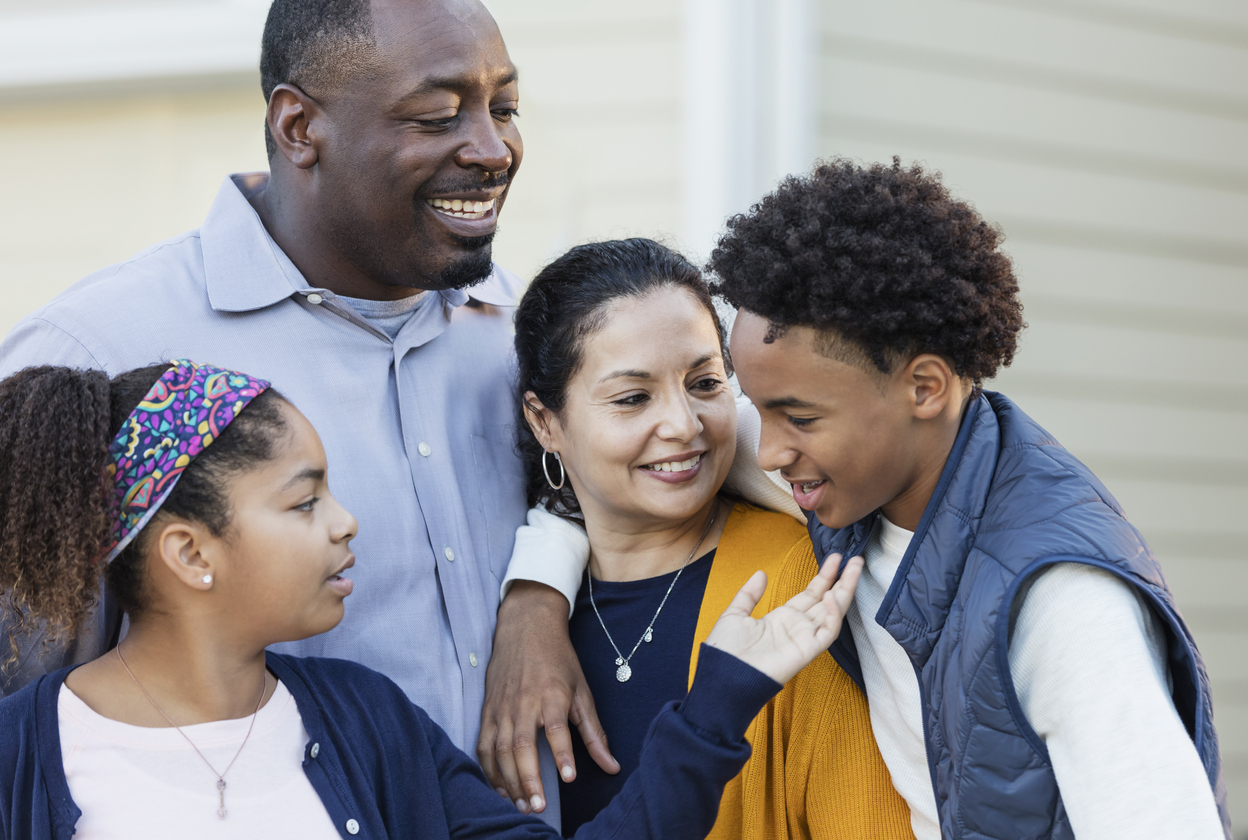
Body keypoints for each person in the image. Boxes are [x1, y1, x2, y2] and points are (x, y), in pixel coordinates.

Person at [0, 0, 616, 818]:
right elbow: (27, 709)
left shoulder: (520, 331)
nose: (492, 147)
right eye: (438, 116)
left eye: (504, 107)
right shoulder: (105, 347)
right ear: (299, 127)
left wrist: (537, 600)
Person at [0, 359, 861, 839]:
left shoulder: (366, 724)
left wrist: (720, 699)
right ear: (191, 552)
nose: (345, 524)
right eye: (304, 503)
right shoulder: (20, 757)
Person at [707, 158, 1231, 840]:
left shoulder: (1060, 602)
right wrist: (543, 590)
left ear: (924, 387)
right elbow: (635, 460)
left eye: (797, 419)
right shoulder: (848, 464)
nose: (769, 452)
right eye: (757, 409)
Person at [502, 238, 914, 839]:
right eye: (633, 398)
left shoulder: (800, 582)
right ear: (545, 421)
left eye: (705, 383)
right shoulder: (514, 604)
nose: (685, 424)